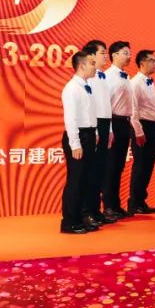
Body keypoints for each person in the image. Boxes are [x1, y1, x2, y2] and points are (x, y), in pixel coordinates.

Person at [60, 50, 98, 234]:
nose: (95, 67)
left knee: (86, 179)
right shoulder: (71, 88)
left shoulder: (86, 86)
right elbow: (71, 119)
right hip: (78, 136)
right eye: (92, 63)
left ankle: (81, 217)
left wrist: (95, 132)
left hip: (88, 135)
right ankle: (69, 222)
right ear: (81, 66)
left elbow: (90, 113)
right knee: (75, 180)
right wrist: (75, 144)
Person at [83, 39, 114, 227]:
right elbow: (90, 107)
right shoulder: (88, 77)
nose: (105, 56)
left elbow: (106, 105)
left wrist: (109, 129)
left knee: (100, 171)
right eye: (102, 52)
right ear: (91, 56)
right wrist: (95, 129)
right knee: (91, 171)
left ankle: (96, 210)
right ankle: (86, 212)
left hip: (104, 124)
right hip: (93, 125)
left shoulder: (102, 76)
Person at [102, 40, 134, 220]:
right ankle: (108, 206)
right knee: (110, 166)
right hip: (113, 122)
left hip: (125, 123)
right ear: (114, 55)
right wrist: (110, 129)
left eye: (129, 53)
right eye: (125, 53)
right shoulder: (107, 77)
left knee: (119, 166)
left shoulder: (126, 77)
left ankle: (115, 204)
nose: (129, 56)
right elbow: (106, 105)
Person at [128, 49, 155, 215]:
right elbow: (133, 110)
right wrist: (139, 132)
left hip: (152, 126)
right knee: (140, 166)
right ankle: (134, 202)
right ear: (142, 63)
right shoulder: (135, 83)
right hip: (142, 127)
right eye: (151, 60)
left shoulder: (149, 82)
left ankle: (141, 201)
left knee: (147, 166)